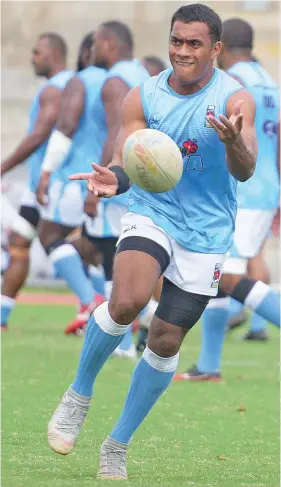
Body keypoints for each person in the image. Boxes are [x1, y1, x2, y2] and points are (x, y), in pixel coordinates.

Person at [47, 4, 257, 479]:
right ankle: (78, 394)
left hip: (207, 233)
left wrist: (232, 142)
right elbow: (131, 159)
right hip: (153, 212)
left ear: (216, 49)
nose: (183, 51)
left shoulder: (235, 100)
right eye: (177, 41)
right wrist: (113, 181)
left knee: (164, 339)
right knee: (127, 301)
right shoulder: (144, 96)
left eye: (194, 43)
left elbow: (246, 169)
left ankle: (116, 443)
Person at [175, 17, 280, 381]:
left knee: (230, 278)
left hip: (244, 190)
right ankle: (209, 365)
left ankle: (209, 363)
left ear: (220, 46)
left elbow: (227, 140)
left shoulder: (235, 86)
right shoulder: (269, 82)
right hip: (264, 188)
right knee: (218, 274)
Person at [38, 22, 149, 334]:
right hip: (140, 178)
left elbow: (112, 131)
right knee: (107, 249)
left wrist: (99, 179)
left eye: (97, 43)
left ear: (108, 45)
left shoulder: (106, 81)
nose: (92, 50)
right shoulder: (144, 75)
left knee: (101, 249)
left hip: (104, 177)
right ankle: (123, 317)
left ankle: (103, 314)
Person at [0, 33, 73, 330]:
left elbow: (39, 134)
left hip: (53, 183)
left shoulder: (56, 90)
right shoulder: (62, 86)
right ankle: (3, 314)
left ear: (54, 53)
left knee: (83, 246)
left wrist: (3, 166)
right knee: (20, 242)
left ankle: (93, 301)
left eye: (37, 52)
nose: (32, 58)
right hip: (37, 185)